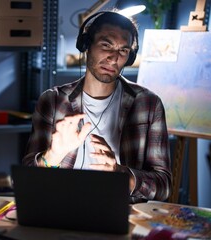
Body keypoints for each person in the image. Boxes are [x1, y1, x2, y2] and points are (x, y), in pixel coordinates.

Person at [22, 10, 172, 203]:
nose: (113, 58)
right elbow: (28, 180)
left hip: (121, 211)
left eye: (123, 51)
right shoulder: (52, 101)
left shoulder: (149, 104)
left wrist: (120, 174)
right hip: (63, 206)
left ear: (130, 57)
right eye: (106, 45)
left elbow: (164, 186)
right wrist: (54, 155)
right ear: (86, 46)